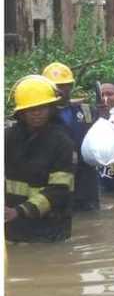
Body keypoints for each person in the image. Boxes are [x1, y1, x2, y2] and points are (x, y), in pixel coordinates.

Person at [5, 75, 75, 243]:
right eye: (31, 109)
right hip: (14, 228)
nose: (36, 113)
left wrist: (19, 211)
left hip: (50, 229)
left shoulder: (62, 143)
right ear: (21, 113)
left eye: (42, 107)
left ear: (51, 109)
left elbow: (59, 190)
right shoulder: (8, 138)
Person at [42, 62, 100, 212]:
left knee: (91, 218)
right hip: (56, 179)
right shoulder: (39, 115)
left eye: (64, 85)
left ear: (71, 86)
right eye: (55, 86)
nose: (59, 90)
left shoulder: (86, 110)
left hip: (86, 180)